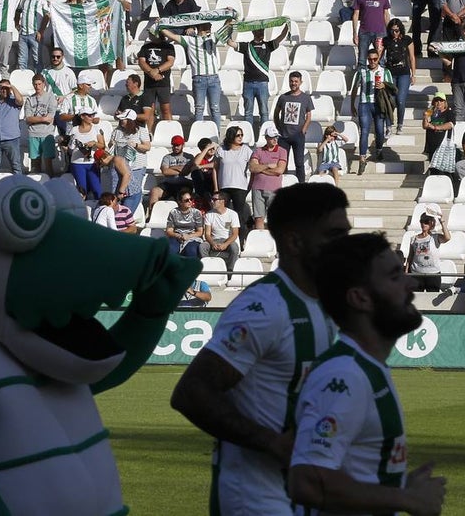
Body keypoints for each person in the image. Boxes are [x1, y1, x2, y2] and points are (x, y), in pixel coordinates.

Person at [172, 183, 352, 516]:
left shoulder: (320, 302)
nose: (345, 245)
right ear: (295, 241)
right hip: (254, 497)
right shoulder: (264, 307)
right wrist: (272, 444)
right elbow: (192, 392)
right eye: (334, 235)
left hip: (299, 492)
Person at [288, 233, 447, 516]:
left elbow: (352, 473)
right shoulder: (345, 375)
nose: (411, 284)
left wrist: (397, 488)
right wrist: (408, 501)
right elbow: (308, 482)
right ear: (360, 297)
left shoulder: (364, 366)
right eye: (395, 277)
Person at [161, 21, 226, 130]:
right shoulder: (190, 40)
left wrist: (229, 15)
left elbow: (226, 27)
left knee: (215, 108)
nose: (210, 26)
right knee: (199, 108)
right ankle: (199, 134)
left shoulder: (213, 37)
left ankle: (216, 134)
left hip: (213, 77)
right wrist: (161, 25)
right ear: (200, 26)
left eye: (209, 25)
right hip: (199, 78)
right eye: (207, 25)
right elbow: (172, 36)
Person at [231, 23, 289, 133]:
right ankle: (248, 135)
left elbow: (280, 37)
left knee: (264, 112)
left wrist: (286, 27)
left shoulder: (268, 45)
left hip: (262, 83)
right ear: (253, 32)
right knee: (248, 112)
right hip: (248, 83)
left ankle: (265, 135)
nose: (261, 33)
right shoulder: (246, 46)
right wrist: (228, 28)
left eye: (262, 31)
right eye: (258, 31)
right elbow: (230, 43)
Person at [351, 50, 393, 175]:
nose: (373, 61)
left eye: (375, 59)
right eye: (370, 59)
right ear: (367, 59)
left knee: (380, 130)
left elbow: (393, 88)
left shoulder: (385, 71)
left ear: (378, 58)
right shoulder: (362, 72)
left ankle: (379, 149)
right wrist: (352, 104)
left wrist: (384, 86)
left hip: (379, 104)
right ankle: (362, 158)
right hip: (364, 103)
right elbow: (354, 88)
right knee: (364, 130)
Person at [272, 71, 312, 183]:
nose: (293, 83)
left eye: (296, 81)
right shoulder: (283, 97)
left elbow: (309, 116)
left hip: (298, 136)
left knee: (299, 163)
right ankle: (282, 184)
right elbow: (276, 113)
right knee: (282, 163)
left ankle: (301, 186)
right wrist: (278, 127)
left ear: (300, 82)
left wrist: (303, 130)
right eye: (291, 81)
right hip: (284, 136)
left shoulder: (305, 98)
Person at [379, 18, 416, 135]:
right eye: (392, 30)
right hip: (390, 73)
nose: (395, 33)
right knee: (390, 100)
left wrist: (413, 74)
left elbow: (412, 57)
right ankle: (389, 125)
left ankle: (400, 124)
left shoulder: (407, 40)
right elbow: (379, 55)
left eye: (397, 30)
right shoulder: (386, 40)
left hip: (404, 72)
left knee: (400, 100)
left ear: (401, 30)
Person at [249, 123, 287, 230]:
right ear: (266, 138)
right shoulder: (258, 150)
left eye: (276, 137)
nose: (275, 140)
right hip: (258, 188)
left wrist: (261, 169)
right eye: (272, 137)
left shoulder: (282, 151)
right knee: (259, 218)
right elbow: (252, 168)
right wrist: (268, 166)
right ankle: (260, 241)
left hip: (274, 189)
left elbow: (279, 170)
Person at [407, 211, 450, 292]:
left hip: (433, 274)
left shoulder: (435, 237)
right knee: (417, 299)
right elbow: (410, 256)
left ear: (431, 224)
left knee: (432, 297)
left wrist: (442, 223)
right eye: (421, 221)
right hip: (416, 273)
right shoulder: (413, 238)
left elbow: (447, 238)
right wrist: (406, 271)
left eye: (426, 222)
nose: (423, 224)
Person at [203, 190, 242, 271]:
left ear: (222, 201)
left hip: (227, 240)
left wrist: (226, 244)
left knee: (234, 248)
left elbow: (235, 234)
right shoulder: (209, 214)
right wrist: (213, 243)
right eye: (212, 199)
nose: (211, 201)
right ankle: (208, 268)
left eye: (214, 200)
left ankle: (230, 270)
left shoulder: (233, 214)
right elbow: (207, 234)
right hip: (214, 240)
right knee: (202, 247)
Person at [166, 190, 206, 258]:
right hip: (177, 236)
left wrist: (189, 236)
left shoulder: (196, 213)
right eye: (187, 200)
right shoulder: (173, 212)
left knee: (191, 250)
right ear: (180, 202)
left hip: (193, 237)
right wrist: (179, 236)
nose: (190, 202)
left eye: (191, 199)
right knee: (171, 249)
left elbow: (200, 232)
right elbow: (169, 231)